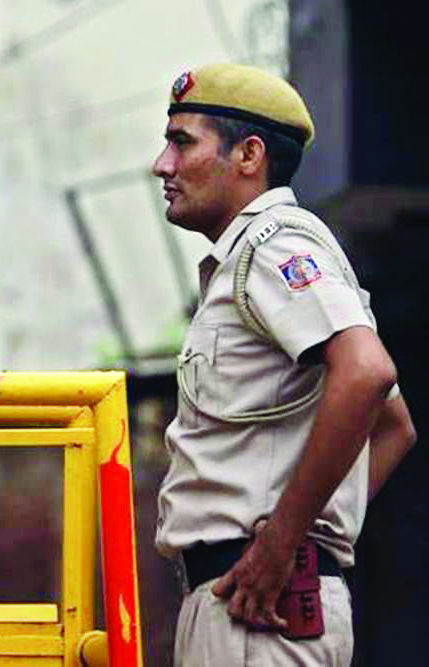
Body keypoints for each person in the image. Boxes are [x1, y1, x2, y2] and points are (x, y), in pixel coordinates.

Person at [151, 63, 416, 666]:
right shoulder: (249, 255)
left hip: (260, 610)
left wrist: (286, 540)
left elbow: (367, 374)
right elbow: (394, 425)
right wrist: (305, 533)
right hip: (247, 598)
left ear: (249, 155)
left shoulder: (275, 245)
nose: (162, 165)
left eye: (182, 142)